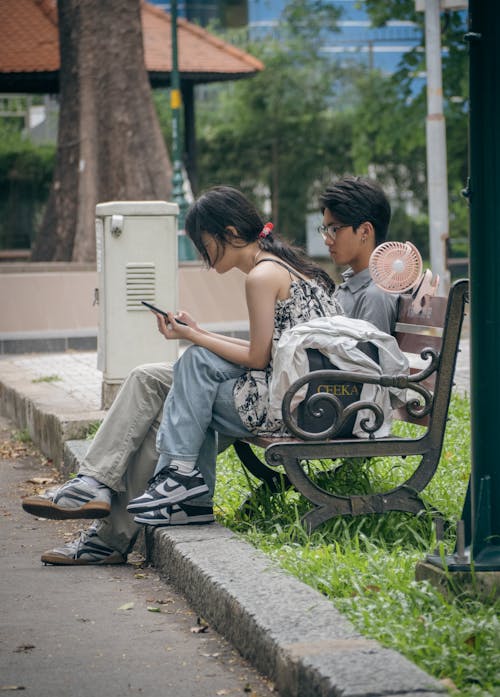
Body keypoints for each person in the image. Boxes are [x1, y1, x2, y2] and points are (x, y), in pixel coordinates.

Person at [22, 185, 341, 564]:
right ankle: (93, 483)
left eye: (203, 244)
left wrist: (195, 338)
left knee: (172, 404)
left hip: (290, 401)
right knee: (146, 377)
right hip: (297, 388)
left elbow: (258, 357)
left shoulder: (261, 276)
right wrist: (197, 333)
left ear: (230, 233)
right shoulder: (286, 266)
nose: (203, 256)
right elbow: (272, 352)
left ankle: (123, 526)